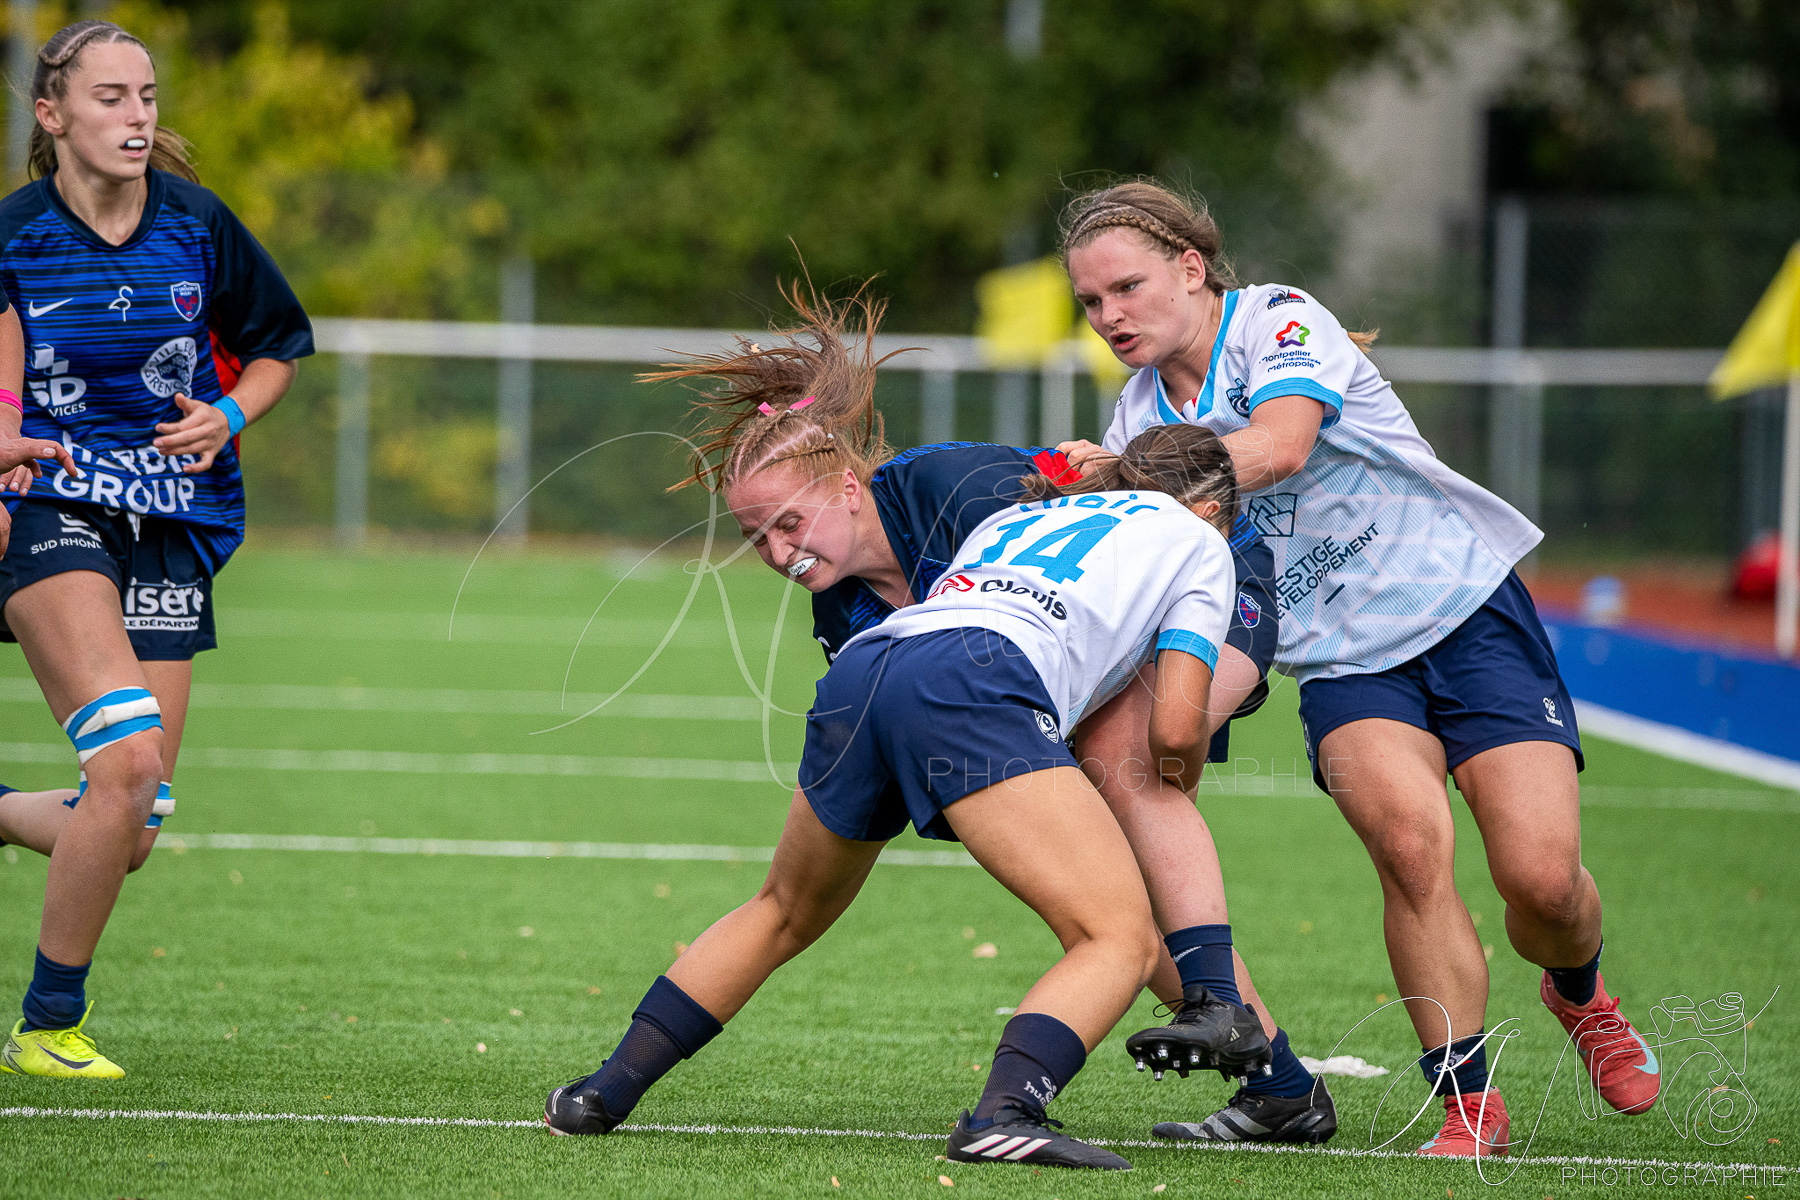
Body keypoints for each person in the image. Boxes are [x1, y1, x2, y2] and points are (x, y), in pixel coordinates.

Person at [544, 301, 1242, 1172]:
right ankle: (1006, 1112)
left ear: (848, 489)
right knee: (1118, 936)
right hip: (963, 681)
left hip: (877, 674)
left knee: (782, 908)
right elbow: (1156, 713)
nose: (777, 552)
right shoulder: (1194, 539)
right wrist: (1168, 772)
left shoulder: (986, 503)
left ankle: (600, 1093)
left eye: (788, 524)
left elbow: (1061, 509)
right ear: (1211, 509)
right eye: (759, 536)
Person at [1057, 179, 1660, 1156]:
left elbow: (1284, 446)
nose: (1109, 316)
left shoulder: (1278, 321)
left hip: (1468, 612)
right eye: (1091, 301)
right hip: (1343, 665)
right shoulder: (1133, 419)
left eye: (1126, 288)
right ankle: (1467, 1103)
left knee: (1543, 882)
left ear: (1191, 268)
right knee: (1410, 852)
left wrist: (1132, 480)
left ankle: (1580, 992)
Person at [0, 19, 312, 1080]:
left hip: (171, 523)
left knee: (129, 824)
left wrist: (228, 413)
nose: (137, 117)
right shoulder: (13, 238)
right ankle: (47, 1026)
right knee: (127, 760)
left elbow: (279, 347)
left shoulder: (197, 223)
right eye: (110, 98)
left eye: (146, 96)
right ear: (53, 115)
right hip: (51, 508)